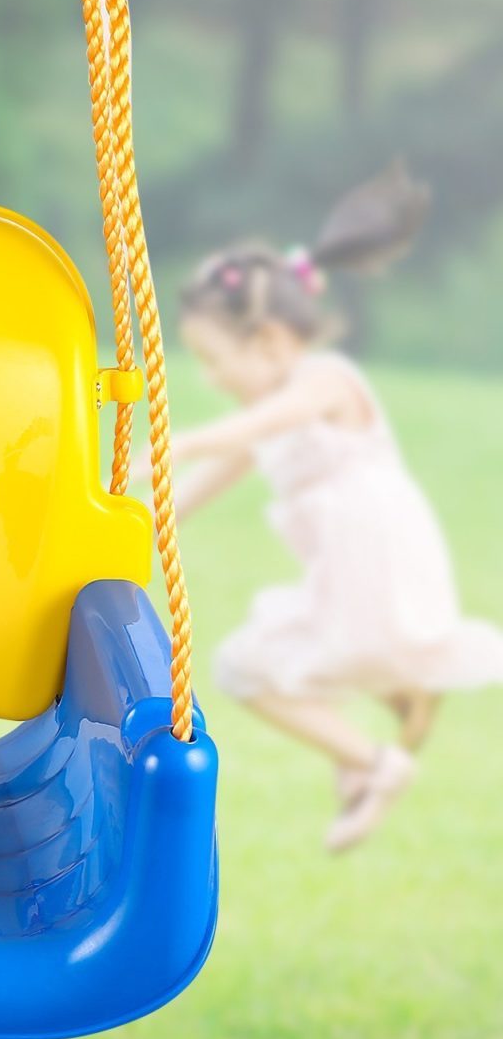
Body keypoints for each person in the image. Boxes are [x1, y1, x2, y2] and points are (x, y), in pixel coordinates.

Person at [167, 163, 503, 851]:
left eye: (214, 359)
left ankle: (377, 760)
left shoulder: (325, 381)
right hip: (348, 579)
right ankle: (386, 730)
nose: (212, 378)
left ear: (268, 342)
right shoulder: (264, 417)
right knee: (245, 666)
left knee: (255, 666)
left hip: (380, 564)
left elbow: (260, 426)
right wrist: (123, 517)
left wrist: (188, 439)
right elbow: (181, 504)